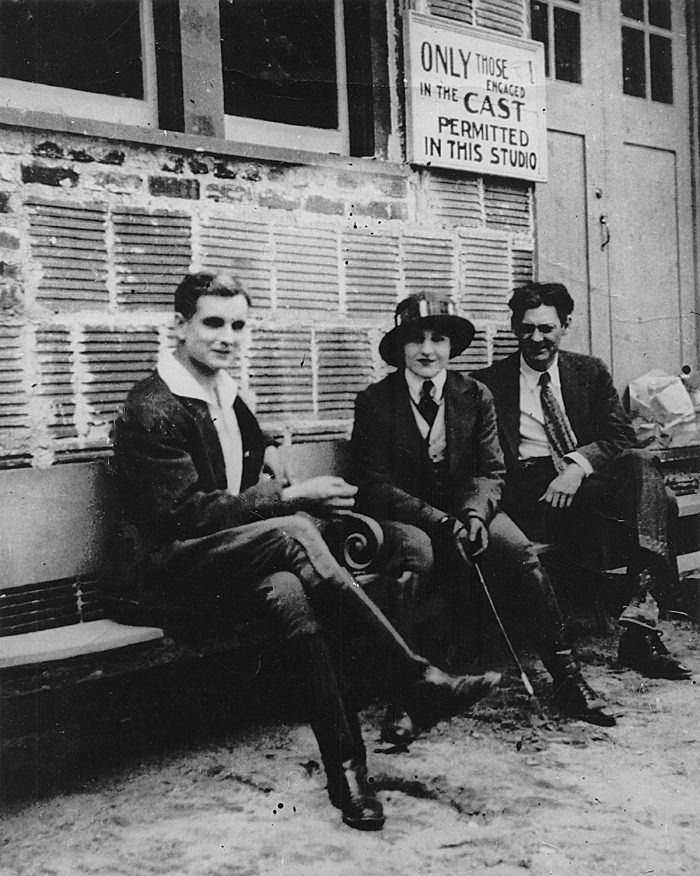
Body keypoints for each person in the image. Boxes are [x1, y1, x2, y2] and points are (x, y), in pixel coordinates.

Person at [111, 271, 502, 833]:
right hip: (166, 571)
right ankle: (414, 679)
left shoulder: (223, 390)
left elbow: (247, 438)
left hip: (225, 559)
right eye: (212, 323)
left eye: (238, 325)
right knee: (294, 527)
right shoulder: (153, 406)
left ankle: (349, 774)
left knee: (293, 595)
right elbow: (187, 515)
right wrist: (290, 493)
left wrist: (266, 450)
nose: (227, 337)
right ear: (179, 326)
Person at [351, 291, 616, 734]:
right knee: (416, 557)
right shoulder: (376, 401)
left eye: (438, 339)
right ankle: (405, 694)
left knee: (519, 553)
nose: (427, 350)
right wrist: (439, 521)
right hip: (407, 519)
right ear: (400, 348)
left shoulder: (474, 395)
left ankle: (566, 677)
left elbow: (491, 469)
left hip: (466, 511)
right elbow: (375, 484)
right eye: (415, 340)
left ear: (452, 347)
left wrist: (474, 516)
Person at [473, 282, 691, 680]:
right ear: (514, 328)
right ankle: (642, 631)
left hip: (580, 483)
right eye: (526, 329)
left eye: (546, 328)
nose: (536, 338)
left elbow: (621, 437)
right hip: (528, 491)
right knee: (666, 502)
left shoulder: (588, 370)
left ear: (565, 325)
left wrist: (576, 467)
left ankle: (640, 613)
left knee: (642, 462)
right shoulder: (488, 382)